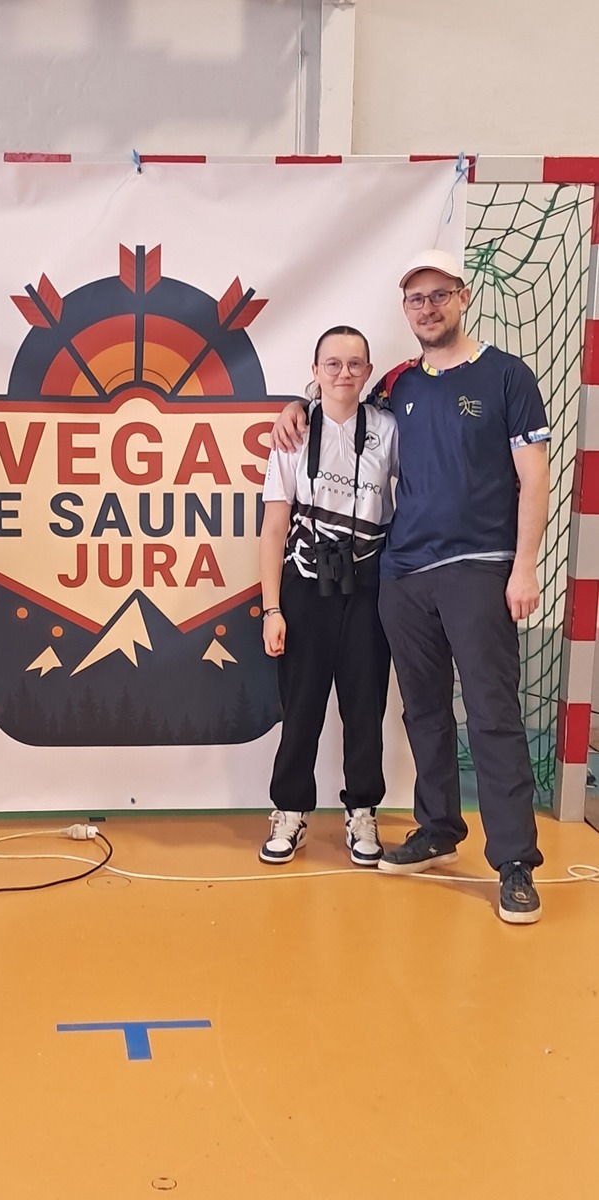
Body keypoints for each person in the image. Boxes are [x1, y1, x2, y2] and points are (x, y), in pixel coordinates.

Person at [271, 250, 550, 924]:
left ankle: (514, 861)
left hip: (479, 566)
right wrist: (296, 405)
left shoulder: (507, 376)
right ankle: (438, 828)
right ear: (406, 308)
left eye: (439, 295)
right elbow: (339, 403)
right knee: (422, 711)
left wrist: (525, 565)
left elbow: (535, 475)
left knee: (490, 712)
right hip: (401, 573)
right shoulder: (397, 384)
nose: (427, 308)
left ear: (463, 297)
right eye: (415, 299)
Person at [259, 326, 398, 867]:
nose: (344, 373)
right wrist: (272, 608)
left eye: (355, 364)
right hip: (305, 582)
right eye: (332, 364)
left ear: (368, 373)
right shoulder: (293, 433)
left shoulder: (387, 428)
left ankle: (362, 810)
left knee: (365, 705)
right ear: (314, 372)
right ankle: (290, 811)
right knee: (302, 705)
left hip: (367, 585)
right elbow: (274, 527)